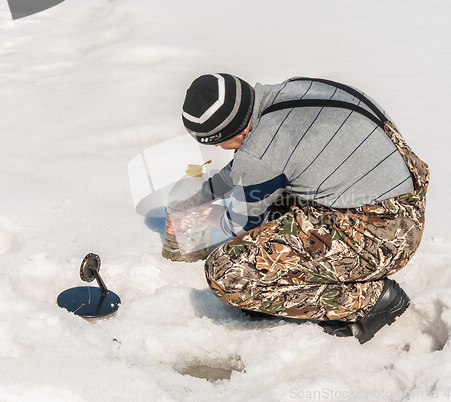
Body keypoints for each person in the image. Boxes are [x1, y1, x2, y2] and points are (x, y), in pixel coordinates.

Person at [167, 73, 429, 344]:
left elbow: (238, 222)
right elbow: (249, 171)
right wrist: (200, 197)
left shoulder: (263, 147)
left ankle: (369, 301)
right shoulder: (292, 90)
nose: (222, 148)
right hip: (400, 207)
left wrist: (201, 215)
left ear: (229, 133)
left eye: (215, 142)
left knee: (229, 274)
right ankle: (288, 288)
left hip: (382, 236)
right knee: (272, 210)